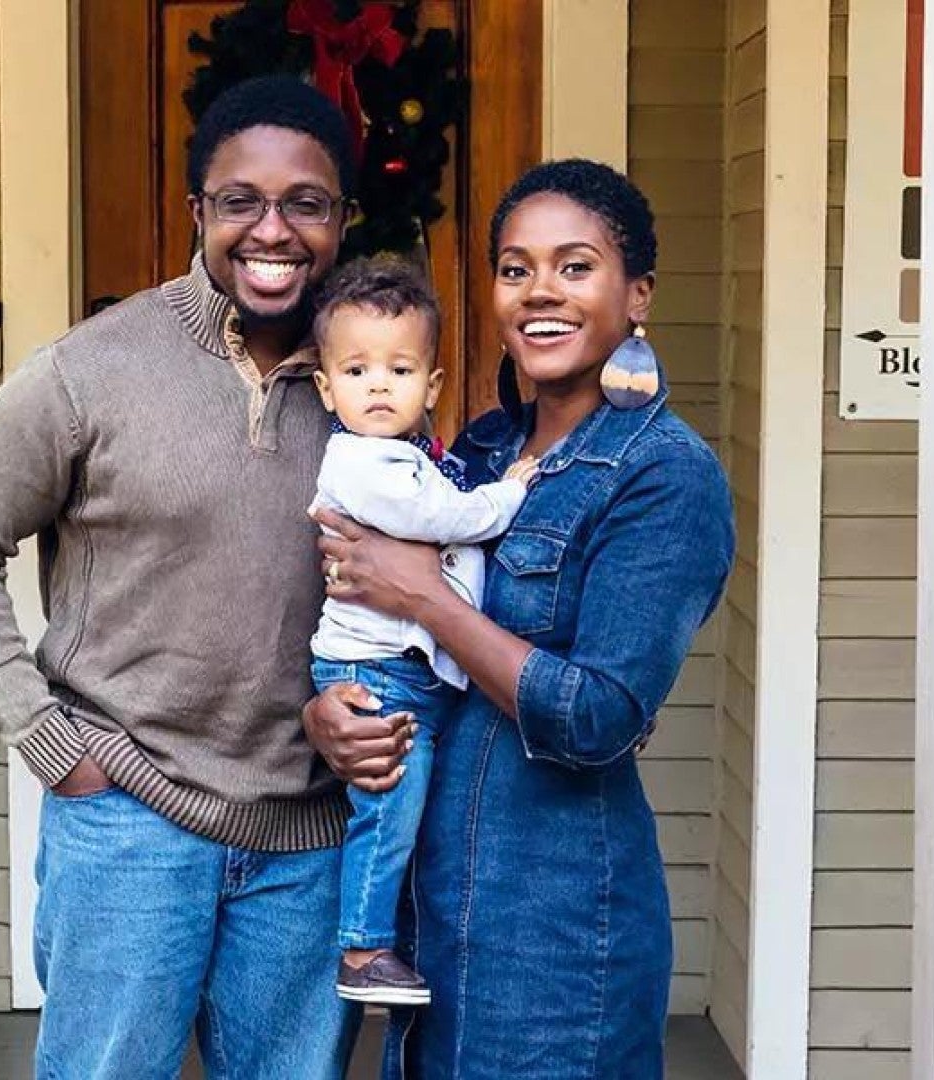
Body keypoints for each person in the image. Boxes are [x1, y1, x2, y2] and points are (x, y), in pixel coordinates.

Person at [0, 75, 363, 1079]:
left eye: (306, 203)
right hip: (131, 818)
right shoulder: (94, 371)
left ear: (342, 220)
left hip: (310, 841)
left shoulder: (372, 380)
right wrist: (44, 736)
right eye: (240, 200)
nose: (272, 229)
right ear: (198, 211)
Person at [303, 159, 736, 1078]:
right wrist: (333, 710)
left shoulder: (667, 475)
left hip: (556, 932)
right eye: (514, 268)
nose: (540, 291)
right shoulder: (478, 451)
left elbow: (596, 716)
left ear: (638, 295)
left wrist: (419, 594)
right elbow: (384, 627)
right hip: (431, 913)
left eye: (576, 267)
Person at [304, 255, 537, 1006]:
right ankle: (365, 951)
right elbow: (436, 521)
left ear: (431, 387)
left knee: (407, 807)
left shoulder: (411, 457)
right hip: (379, 668)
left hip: (404, 663)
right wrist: (509, 497)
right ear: (326, 387)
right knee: (389, 806)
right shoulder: (365, 462)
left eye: (400, 370)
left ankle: (385, 937)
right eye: (358, 369)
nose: (378, 385)